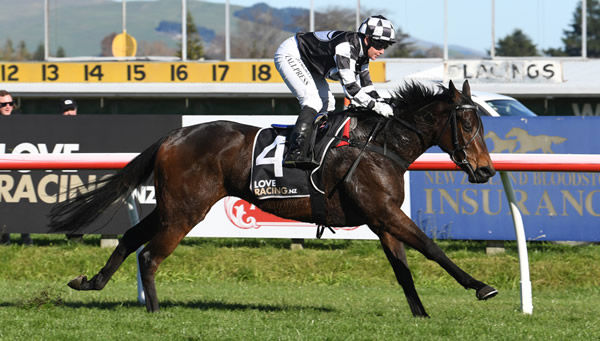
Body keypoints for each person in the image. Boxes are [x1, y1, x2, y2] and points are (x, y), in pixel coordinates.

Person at [274, 15, 396, 168]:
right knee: (312, 101)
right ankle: (295, 152)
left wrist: (384, 104)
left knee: (328, 104)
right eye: (380, 45)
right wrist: (377, 107)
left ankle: (314, 149)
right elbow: (351, 89)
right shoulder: (346, 47)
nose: (382, 51)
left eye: (386, 46)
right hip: (292, 54)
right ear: (368, 39)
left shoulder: (362, 55)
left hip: (309, 63)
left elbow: (367, 88)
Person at [0, 90, 33, 245]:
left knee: (23, 204)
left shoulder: (21, 121)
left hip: (20, 170)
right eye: (3, 104)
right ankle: (4, 238)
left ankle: (26, 238)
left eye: (10, 103)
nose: (8, 107)